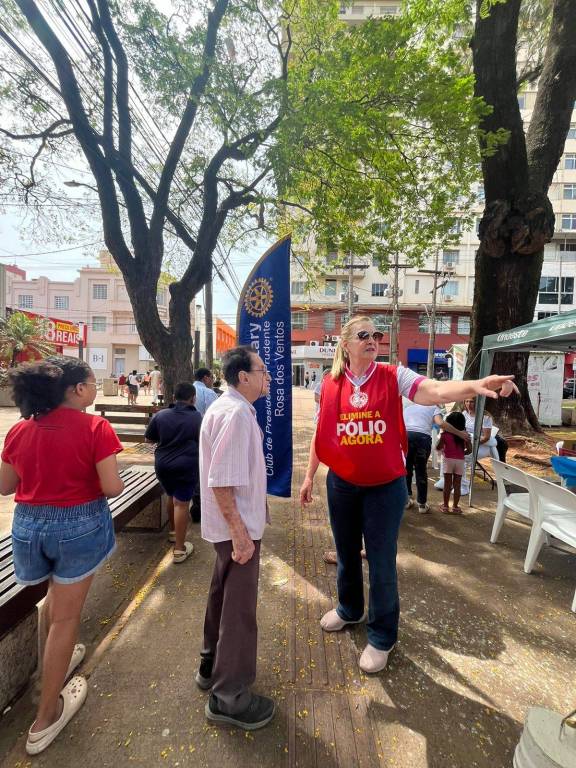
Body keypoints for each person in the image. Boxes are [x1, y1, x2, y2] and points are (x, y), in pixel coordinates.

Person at [299, 315, 518, 675]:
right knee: (346, 553)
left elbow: (433, 390)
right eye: (363, 334)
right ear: (345, 344)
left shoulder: (392, 375)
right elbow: (322, 434)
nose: (373, 339)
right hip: (341, 485)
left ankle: (382, 635)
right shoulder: (329, 384)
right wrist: (309, 476)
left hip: (384, 487)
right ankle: (349, 609)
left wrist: (476, 385)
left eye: (376, 334)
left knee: (382, 562)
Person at [0, 358, 123, 755]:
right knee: (67, 617)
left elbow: (5, 486)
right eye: (92, 383)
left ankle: (55, 665)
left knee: (51, 600)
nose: (94, 389)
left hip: (28, 528)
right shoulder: (96, 428)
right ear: (77, 390)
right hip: (78, 527)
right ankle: (46, 716)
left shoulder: (20, 429)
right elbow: (112, 487)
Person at [197, 345, 275, 730]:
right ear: (243, 376)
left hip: (229, 529)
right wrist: (241, 535)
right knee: (238, 612)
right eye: (262, 371)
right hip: (236, 531)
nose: (268, 377)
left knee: (222, 596)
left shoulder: (231, 408)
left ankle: (210, 663)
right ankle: (230, 698)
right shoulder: (236, 414)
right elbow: (222, 481)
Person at [145, 381, 202, 563]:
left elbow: (149, 439)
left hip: (163, 465)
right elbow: (203, 441)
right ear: (193, 399)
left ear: (173, 397)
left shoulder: (161, 415)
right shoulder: (197, 417)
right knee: (182, 504)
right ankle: (179, 549)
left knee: (171, 496)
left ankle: (172, 532)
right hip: (186, 466)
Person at [403, 400, 444, 514]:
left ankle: (406, 500)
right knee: (421, 471)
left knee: (406, 470)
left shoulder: (408, 408)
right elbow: (440, 423)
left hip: (406, 437)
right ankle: (422, 504)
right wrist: (458, 433)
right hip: (422, 439)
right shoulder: (434, 407)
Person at [436, 411, 469, 514]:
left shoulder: (445, 435)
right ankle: (455, 507)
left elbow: (438, 447)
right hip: (460, 461)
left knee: (447, 484)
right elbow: (469, 450)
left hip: (448, 460)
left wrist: (442, 447)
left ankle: (445, 506)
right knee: (457, 485)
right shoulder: (465, 435)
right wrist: (462, 453)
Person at [463, 397, 508, 462]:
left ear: (477, 403)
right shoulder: (464, 413)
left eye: (471, 402)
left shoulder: (485, 417)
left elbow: (486, 438)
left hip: (483, 443)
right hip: (470, 441)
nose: (469, 404)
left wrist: (471, 445)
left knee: (462, 457)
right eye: (466, 401)